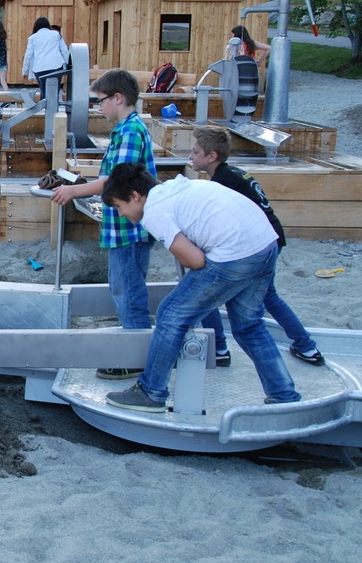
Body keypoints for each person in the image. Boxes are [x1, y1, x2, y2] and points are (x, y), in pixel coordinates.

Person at [100, 162, 303, 411]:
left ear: (135, 196)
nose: (122, 215)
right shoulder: (176, 188)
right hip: (265, 243)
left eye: (120, 207)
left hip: (235, 254)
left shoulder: (154, 211)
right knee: (249, 326)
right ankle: (283, 394)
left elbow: (195, 261)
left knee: (171, 314)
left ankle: (150, 392)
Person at [50, 69, 157, 378]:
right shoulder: (125, 129)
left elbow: (115, 180)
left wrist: (73, 191)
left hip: (130, 228)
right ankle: (133, 348)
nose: (99, 107)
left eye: (101, 101)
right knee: (121, 287)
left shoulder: (130, 131)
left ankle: (136, 358)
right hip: (120, 226)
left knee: (128, 290)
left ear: (118, 98)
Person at [189, 127, 325, 366]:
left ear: (212, 156)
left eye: (195, 151)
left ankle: (218, 348)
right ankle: (306, 346)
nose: (190, 156)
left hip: (257, 243)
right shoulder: (232, 173)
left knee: (205, 290)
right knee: (268, 296)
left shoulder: (222, 182)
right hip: (271, 237)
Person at [21, 16, 68, 99]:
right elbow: (64, 51)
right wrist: (67, 64)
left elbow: (28, 55)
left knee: (43, 90)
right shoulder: (56, 34)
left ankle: (45, 107)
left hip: (39, 68)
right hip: (56, 66)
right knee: (54, 92)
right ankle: (54, 108)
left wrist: (25, 70)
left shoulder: (32, 38)